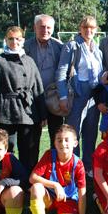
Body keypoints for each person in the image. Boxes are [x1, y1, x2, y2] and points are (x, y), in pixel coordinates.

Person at [0, 26, 46, 172]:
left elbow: (38, 89)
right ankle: (6, 181)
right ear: (6, 40)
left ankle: (27, 183)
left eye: (18, 39)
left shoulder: (29, 61)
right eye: (11, 39)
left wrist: (43, 114)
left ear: (23, 40)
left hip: (29, 112)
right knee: (6, 150)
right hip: (7, 112)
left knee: (30, 150)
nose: (14, 42)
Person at [56, 16, 103, 176]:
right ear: (80, 28)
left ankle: (88, 167)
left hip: (93, 95)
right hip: (77, 93)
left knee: (91, 132)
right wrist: (62, 96)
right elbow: (62, 72)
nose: (88, 30)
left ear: (96, 30)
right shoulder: (72, 46)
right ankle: (72, 168)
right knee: (73, 133)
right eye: (85, 27)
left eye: (92, 28)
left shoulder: (97, 49)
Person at [29, 124, 89, 214]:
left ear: (75, 143)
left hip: (68, 199)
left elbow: (82, 193)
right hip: (49, 197)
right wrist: (55, 184)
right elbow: (32, 177)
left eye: (67, 140)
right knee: (36, 188)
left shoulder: (78, 164)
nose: (63, 143)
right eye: (59, 140)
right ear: (55, 143)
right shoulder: (49, 155)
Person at [24, 14, 64, 149]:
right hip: (32, 99)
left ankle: (55, 167)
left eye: (48, 27)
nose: (45, 30)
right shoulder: (25, 46)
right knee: (32, 139)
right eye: (42, 27)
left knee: (57, 136)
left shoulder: (59, 46)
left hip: (54, 97)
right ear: (35, 28)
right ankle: (31, 168)